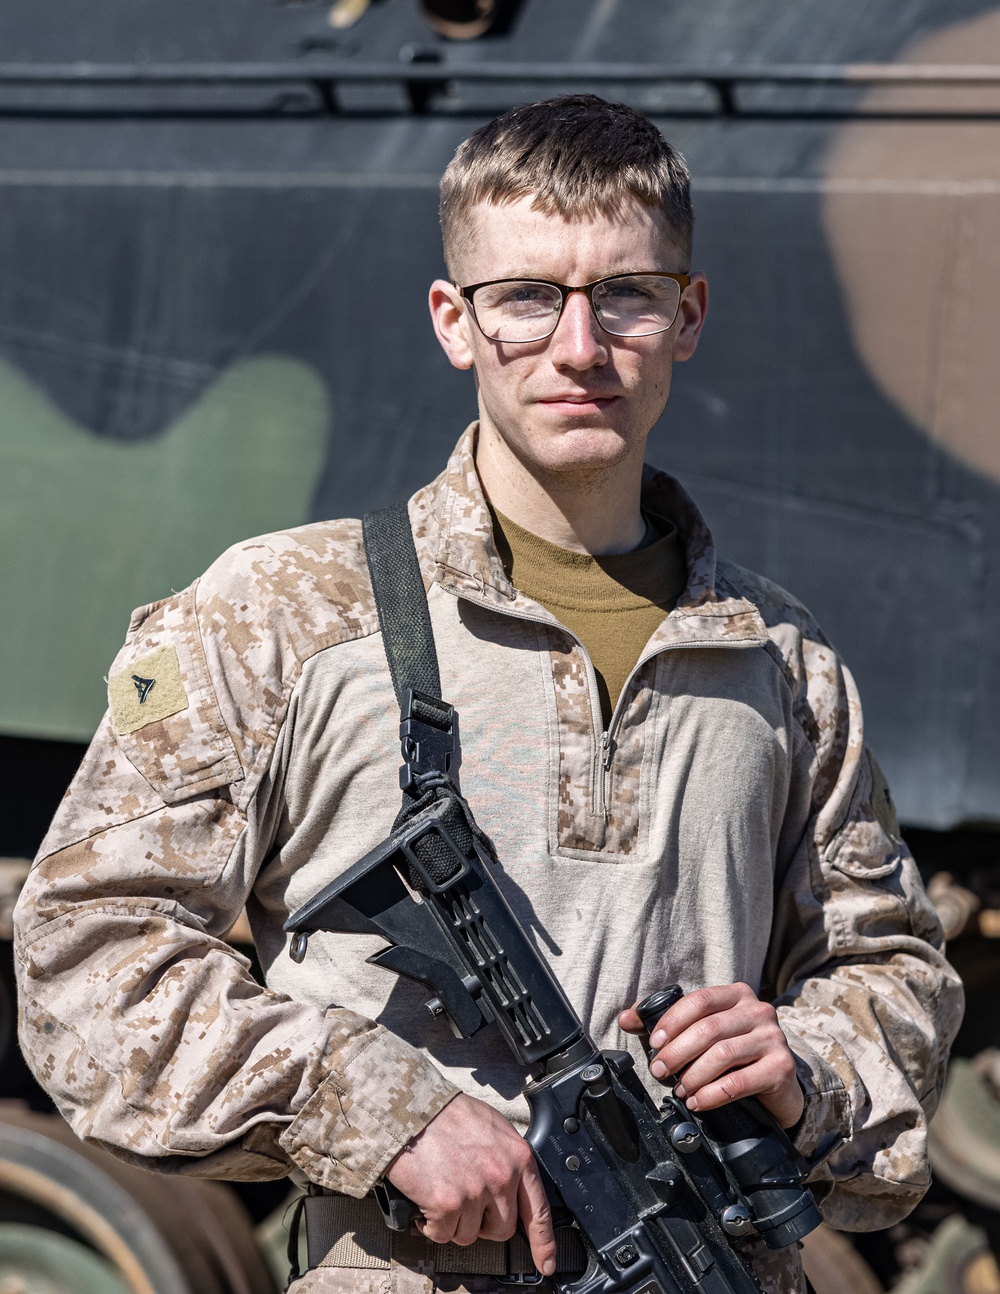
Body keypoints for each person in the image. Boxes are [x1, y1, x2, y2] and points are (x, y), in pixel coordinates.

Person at [13, 95, 962, 1294]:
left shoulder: (778, 657)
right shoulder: (285, 616)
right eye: (527, 298)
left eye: (626, 292)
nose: (580, 347)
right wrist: (380, 1110)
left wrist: (801, 1063)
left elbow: (897, 973)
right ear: (454, 323)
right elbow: (88, 949)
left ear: (689, 315)